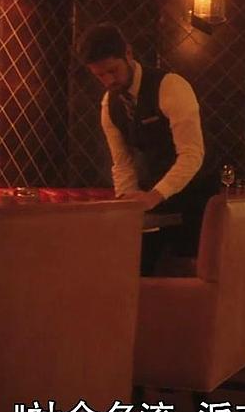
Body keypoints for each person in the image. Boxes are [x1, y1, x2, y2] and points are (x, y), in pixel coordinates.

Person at [77, 23, 215, 274]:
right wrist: (126, 204)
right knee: (127, 262)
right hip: (157, 197)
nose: (108, 80)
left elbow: (192, 155)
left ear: (128, 53)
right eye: (100, 75)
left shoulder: (171, 86)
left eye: (113, 70)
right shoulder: (109, 105)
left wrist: (154, 195)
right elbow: (122, 163)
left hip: (199, 198)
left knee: (179, 268)